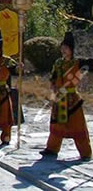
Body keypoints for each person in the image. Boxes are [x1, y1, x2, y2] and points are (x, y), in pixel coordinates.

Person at [41, 32, 93, 160]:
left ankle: (85, 152)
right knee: (56, 124)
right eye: (62, 47)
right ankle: (52, 148)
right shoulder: (58, 63)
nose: (63, 50)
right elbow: (53, 77)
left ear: (71, 49)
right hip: (59, 97)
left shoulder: (78, 62)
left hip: (72, 98)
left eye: (66, 48)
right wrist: (53, 87)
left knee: (78, 125)